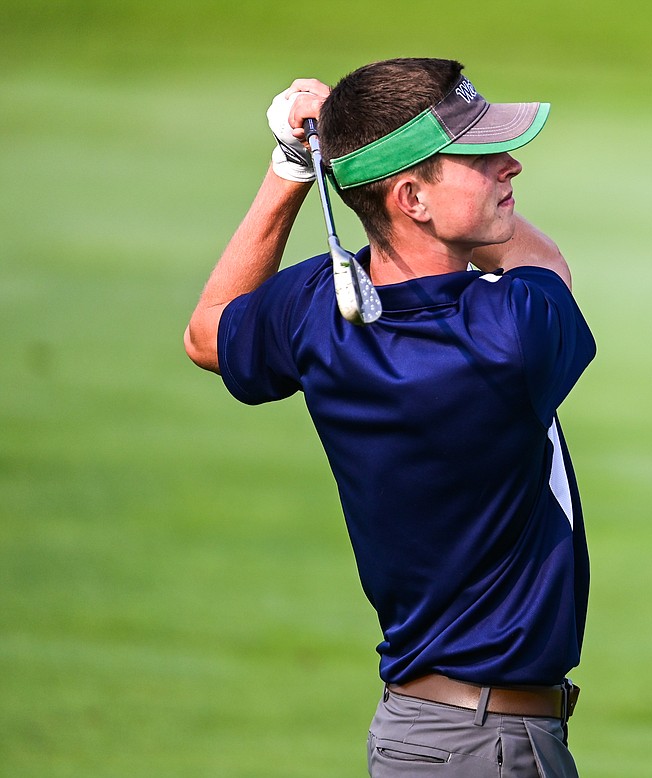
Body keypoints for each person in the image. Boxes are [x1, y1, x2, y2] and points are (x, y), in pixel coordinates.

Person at [184, 57, 595, 777]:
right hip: (488, 747)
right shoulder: (512, 335)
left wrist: (293, 165)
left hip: (416, 734)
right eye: (476, 155)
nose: (510, 166)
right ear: (411, 197)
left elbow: (208, 334)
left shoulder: (317, 307)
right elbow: (549, 263)